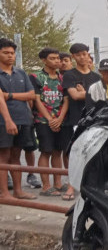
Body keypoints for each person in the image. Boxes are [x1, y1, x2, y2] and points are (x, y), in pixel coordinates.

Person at [61, 42, 101, 201]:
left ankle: (93, 185)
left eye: (84, 54)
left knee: (94, 152)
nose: (82, 57)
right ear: (73, 57)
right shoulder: (70, 75)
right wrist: (90, 94)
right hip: (78, 119)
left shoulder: (97, 77)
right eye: (78, 55)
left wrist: (84, 92)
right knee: (76, 152)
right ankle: (72, 185)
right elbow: (75, 96)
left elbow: (104, 97)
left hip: (96, 119)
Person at [0, 38, 37, 200]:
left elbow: (31, 94)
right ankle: (5, 193)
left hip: (23, 120)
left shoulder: (21, 73)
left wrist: (9, 95)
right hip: (3, 121)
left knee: (16, 156)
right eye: (5, 53)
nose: (10, 56)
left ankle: (18, 191)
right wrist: (8, 120)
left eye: (12, 53)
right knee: (3, 156)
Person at [31, 48, 70, 196]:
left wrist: (59, 119)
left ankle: (58, 184)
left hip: (61, 120)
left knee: (58, 152)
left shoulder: (63, 78)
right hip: (43, 120)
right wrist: (49, 119)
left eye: (58, 58)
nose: (57, 61)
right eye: (52, 58)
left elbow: (66, 100)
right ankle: (46, 186)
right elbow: (37, 100)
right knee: (45, 151)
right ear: (44, 60)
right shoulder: (36, 76)